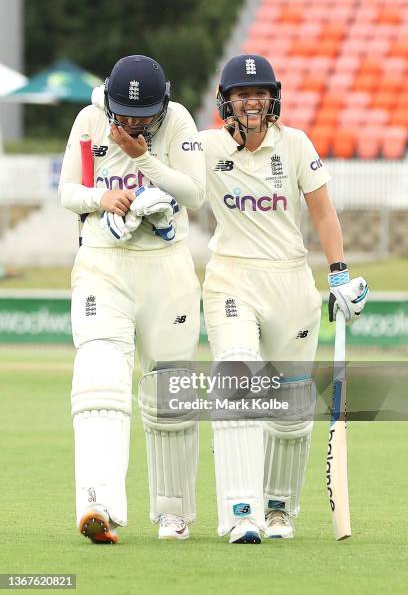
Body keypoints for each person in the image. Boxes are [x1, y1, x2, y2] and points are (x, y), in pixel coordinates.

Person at [200, 54, 368, 544]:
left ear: (273, 98)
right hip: (232, 277)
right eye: (242, 94)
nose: (252, 101)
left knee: (291, 410)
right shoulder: (207, 148)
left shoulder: (294, 144)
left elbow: (324, 213)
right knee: (236, 378)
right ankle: (240, 511)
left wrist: (339, 275)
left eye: (259, 93)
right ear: (225, 102)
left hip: (291, 282)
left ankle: (277, 510)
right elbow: (165, 148)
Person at [59, 55, 205, 543]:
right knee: (99, 372)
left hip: (167, 265)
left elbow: (195, 193)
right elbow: (67, 189)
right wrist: (101, 200)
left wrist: (145, 161)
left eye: (146, 115)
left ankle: (173, 511)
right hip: (105, 259)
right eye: (126, 113)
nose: (136, 123)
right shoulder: (89, 119)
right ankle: (98, 502)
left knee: (169, 388)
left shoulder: (178, 119)